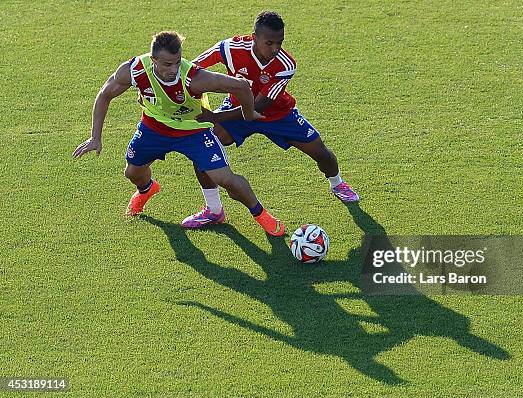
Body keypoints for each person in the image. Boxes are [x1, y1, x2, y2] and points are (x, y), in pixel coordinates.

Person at [72, 31, 285, 236]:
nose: (174, 69)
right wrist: (95, 137)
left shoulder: (194, 77)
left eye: (177, 61)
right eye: (167, 64)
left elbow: (240, 86)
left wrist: (248, 114)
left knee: (225, 178)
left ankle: (261, 214)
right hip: (154, 128)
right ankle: (147, 189)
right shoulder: (134, 70)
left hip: (193, 130)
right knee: (132, 173)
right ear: (153, 60)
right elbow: (104, 95)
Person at [180, 10, 359, 229]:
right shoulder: (229, 49)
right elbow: (192, 69)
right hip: (236, 107)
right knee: (204, 151)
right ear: (254, 37)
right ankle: (214, 211)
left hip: (277, 114)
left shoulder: (286, 64)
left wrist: (216, 116)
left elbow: (258, 105)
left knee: (321, 152)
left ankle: (337, 184)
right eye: (269, 43)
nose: (275, 49)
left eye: (279, 43)